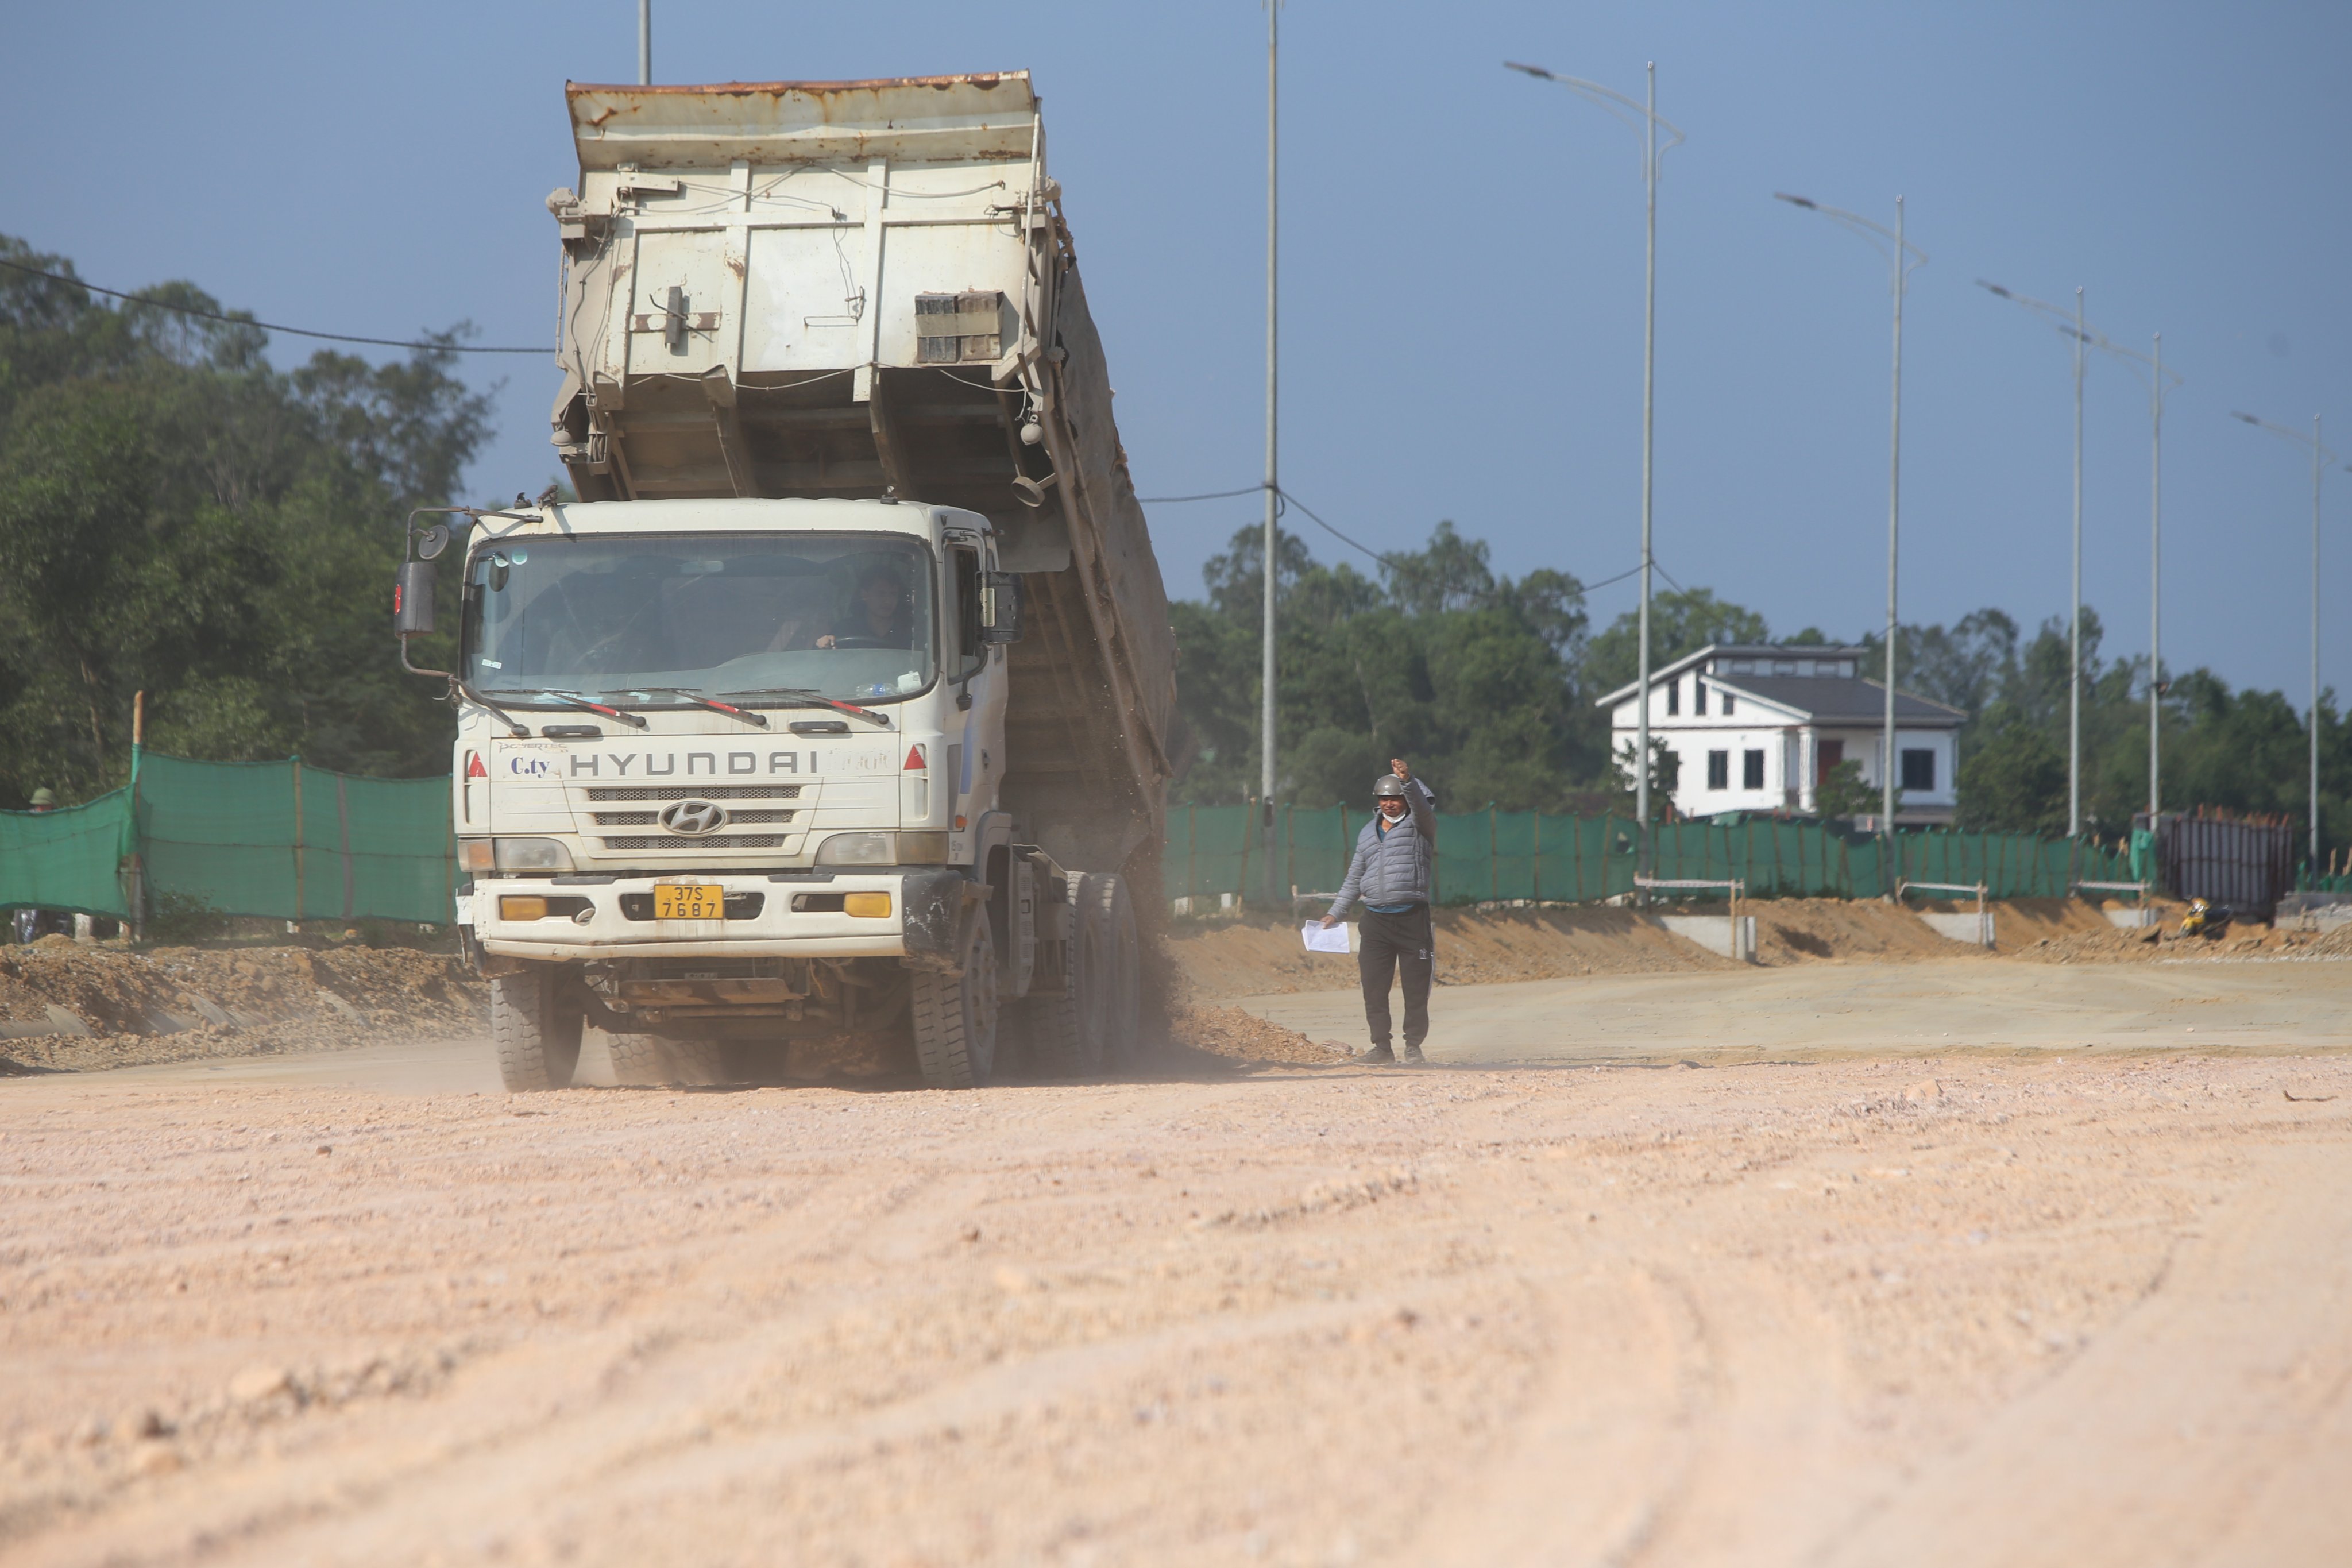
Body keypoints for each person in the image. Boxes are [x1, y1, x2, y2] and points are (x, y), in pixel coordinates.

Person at [1322, 759, 1437, 1064]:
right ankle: (1382, 1049)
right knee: (1373, 988)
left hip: (1413, 918)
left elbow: (1423, 808)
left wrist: (1408, 780)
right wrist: (1335, 912)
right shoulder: (1367, 834)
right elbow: (1354, 876)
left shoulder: (1419, 825)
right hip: (1374, 921)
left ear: (1405, 800)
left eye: (1395, 798)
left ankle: (1413, 1047)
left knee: (1415, 990)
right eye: (1384, 799)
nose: (1389, 804)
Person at [816, 563, 912, 648]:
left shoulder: (910, 631)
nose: (888, 601)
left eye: (893, 594)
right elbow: (824, 660)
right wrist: (823, 644)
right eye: (881, 594)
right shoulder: (845, 629)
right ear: (865, 595)